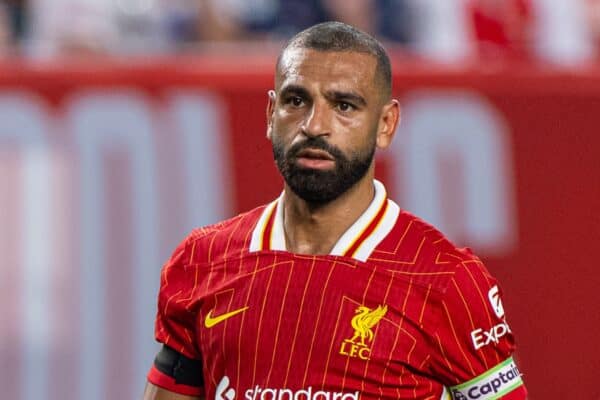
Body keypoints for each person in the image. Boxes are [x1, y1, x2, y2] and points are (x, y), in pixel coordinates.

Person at [143, 21, 527, 400]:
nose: (314, 126)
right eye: (296, 101)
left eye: (344, 105)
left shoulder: (447, 280)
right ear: (270, 113)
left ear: (386, 124)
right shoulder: (202, 260)